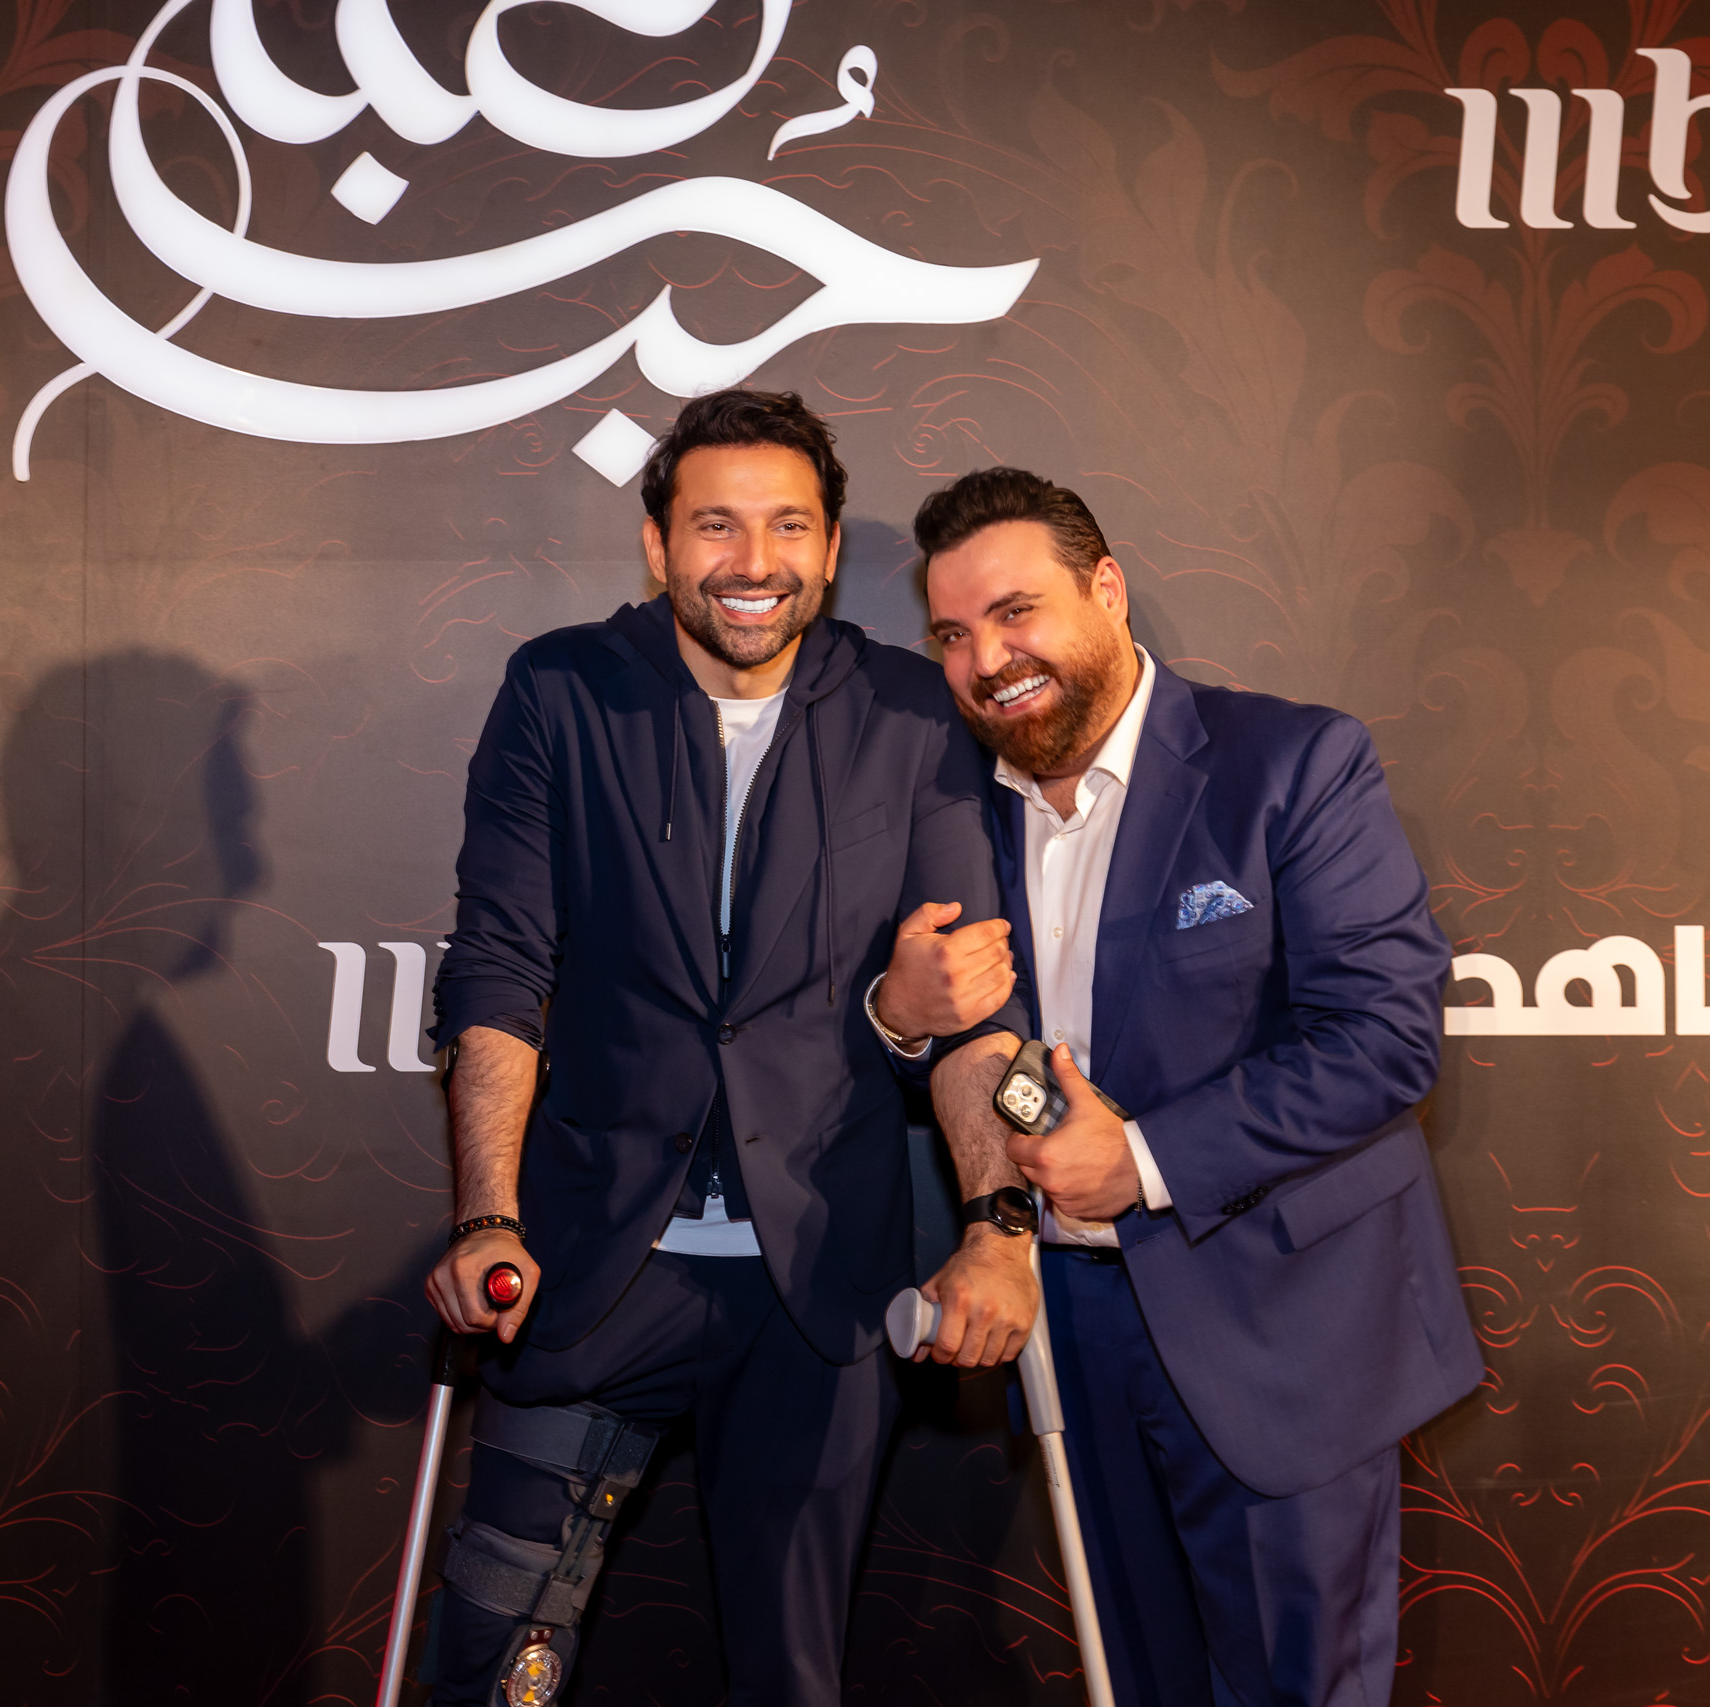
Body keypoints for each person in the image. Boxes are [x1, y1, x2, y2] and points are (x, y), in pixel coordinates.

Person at [421, 391, 1039, 1706]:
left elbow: (970, 1010)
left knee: (790, 1676)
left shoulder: (912, 712)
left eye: (788, 526)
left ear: (829, 549)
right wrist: (486, 1214)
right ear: (657, 544)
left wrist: (997, 1225)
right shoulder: (560, 689)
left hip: (818, 1286)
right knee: (492, 1659)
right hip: (588, 1261)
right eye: (715, 525)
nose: (753, 561)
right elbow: (499, 971)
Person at [910, 467, 1482, 1707]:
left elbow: (1383, 1036)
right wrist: (898, 1015)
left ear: (1108, 591)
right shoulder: (949, 807)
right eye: (952, 634)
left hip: (1280, 1326)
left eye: (1015, 612)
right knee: (1137, 1682)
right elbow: (949, 1040)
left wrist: (1142, 1160)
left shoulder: (1290, 762)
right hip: (1070, 1327)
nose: (986, 660)